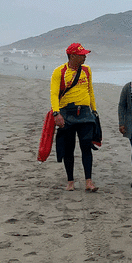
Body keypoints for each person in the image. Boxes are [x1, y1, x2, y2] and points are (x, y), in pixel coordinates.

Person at [51, 42, 99, 192]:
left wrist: (94, 111)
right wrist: (56, 113)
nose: (85, 57)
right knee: (68, 148)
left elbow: (90, 90)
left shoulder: (87, 70)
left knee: (86, 146)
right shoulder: (59, 71)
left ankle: (89, 182)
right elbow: (53, 94)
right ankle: (70, 181)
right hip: (66, 113)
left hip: (85, 113)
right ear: (72, 56)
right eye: (81, 55)